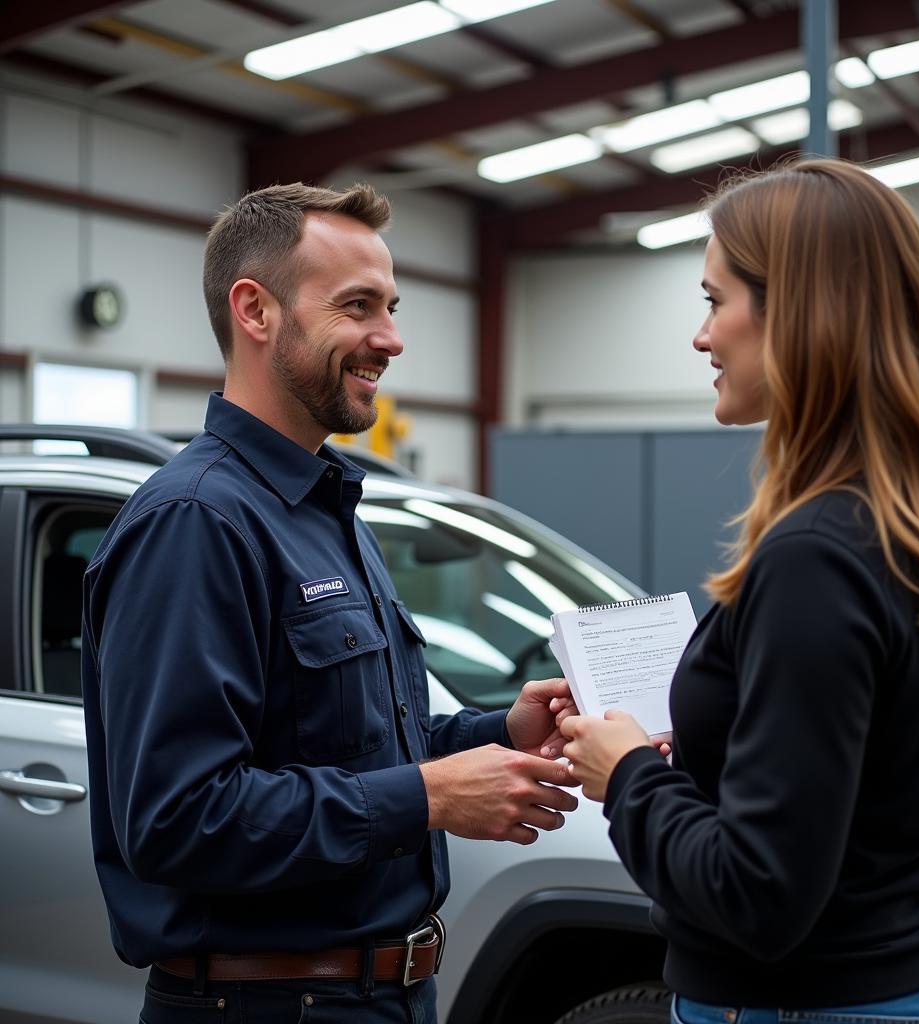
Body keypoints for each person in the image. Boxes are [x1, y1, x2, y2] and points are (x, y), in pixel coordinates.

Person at [80, 181, 579, 1024]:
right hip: (266, 1004)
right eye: (358, 306)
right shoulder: (197, 522)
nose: (390, 338)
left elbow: (354, 746)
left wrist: (496, 734)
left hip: (379, 996)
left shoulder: (325, 510)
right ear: (256, 310)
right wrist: (428, 797)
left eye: (390, 307)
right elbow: (177, 819)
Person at [559, 158, 919, 1024]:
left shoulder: (815, 556)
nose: (702, 337)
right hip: (918, 984)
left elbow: (758, 896)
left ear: (802, 315)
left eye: (713, 299)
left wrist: (625, 773)